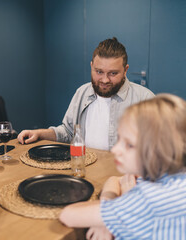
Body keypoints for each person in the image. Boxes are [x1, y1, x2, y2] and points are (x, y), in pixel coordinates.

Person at [59, 94, 186, 239]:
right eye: (119, 139)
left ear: (162, 151)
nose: (115, 150)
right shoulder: (173, 178)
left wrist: (109, 213)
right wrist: (109, 216)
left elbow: (68, 215)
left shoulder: (148, 199)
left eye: (129, 145)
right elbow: (115, 179)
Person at [18, 37, 155, 150]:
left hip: (122, 177)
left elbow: (156, 149)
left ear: (125, 70)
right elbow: (68, 132)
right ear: (91, 66)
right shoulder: (82, 92)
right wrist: (39, 134)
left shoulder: (145, 99)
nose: (105, 80)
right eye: (99, 72)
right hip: (84, 170)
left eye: (113, 73)